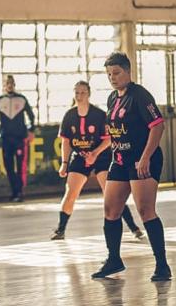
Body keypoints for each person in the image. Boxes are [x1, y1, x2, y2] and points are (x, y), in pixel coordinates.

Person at [92, 52, 172, 282]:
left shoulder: (140, 95)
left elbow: (157, 126)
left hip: (142, 159)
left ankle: (162, 265)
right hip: (119, 160)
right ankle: (114, 259)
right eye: (109, 74)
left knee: (145, 211)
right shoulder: (111, 99)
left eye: (116, 73)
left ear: (128, 72)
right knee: (110, 210)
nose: (112, 78)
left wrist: (146, 157)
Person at [53, 81, 144, 241]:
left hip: (101, 156)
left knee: (112, 194)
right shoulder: (69, 115)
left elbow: (109, 139)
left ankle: (133, 228)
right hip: (80, 157)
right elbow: (66, 142)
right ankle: (60, 230)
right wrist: (64, 163)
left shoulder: (99, 115)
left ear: (88, 94)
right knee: (71, 192)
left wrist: (95, 153)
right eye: (77, 93)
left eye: (83, 93)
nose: (79, 96)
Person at [0, 75, 36, 202]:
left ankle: (19, 192)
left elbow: (31, 116)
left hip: (20, 138)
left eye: (11, 83)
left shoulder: (21, 99)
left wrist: (31, 131)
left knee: (20, 166)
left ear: (14, 84)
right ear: (3, 85)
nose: (9, 85)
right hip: (6, 138)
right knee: (8, 166)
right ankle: (14, 191)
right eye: (7, 83)